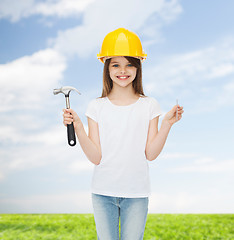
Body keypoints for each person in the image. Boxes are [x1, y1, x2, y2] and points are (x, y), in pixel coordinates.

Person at [63, 28, 184, 240]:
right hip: (103, 193)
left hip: (136, 194)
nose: (123, 70)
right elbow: (96, 157)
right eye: (116, 64)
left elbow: (150, 154)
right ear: (106, 68)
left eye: (129, 64)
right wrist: (79, 128)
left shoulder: (149, 105)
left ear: (138, 66)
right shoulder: (96, 106)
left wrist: (166, 124)